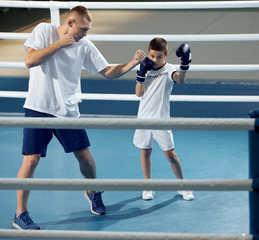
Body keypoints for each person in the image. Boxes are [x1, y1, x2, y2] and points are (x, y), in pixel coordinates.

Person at [12, 6, 146, 230]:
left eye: (88, 30)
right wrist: (59, 44)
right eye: (83, 29)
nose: (85, 34)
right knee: (31, 160)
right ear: (70, 22)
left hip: (67, 110)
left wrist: (132, 63)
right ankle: (20, 213)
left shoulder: (84, 45)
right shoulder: (44, 31)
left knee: (85, 157)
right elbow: (30, 61)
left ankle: (92, 191)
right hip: (38, 106)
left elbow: (108, 71)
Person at [133, 37, 194, 201]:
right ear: (148, 53)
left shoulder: (169, 69)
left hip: (161, 119)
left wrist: (185, 65)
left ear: (166, 55)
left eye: (159, 56)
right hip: (144, 118)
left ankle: (183, 186)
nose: (154, 59)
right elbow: (138, 93)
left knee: (170, 155)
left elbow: (180, 80)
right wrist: (141, 75)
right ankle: (148, 186)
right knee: (145, 151)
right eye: (152, 56)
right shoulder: (144, 67)